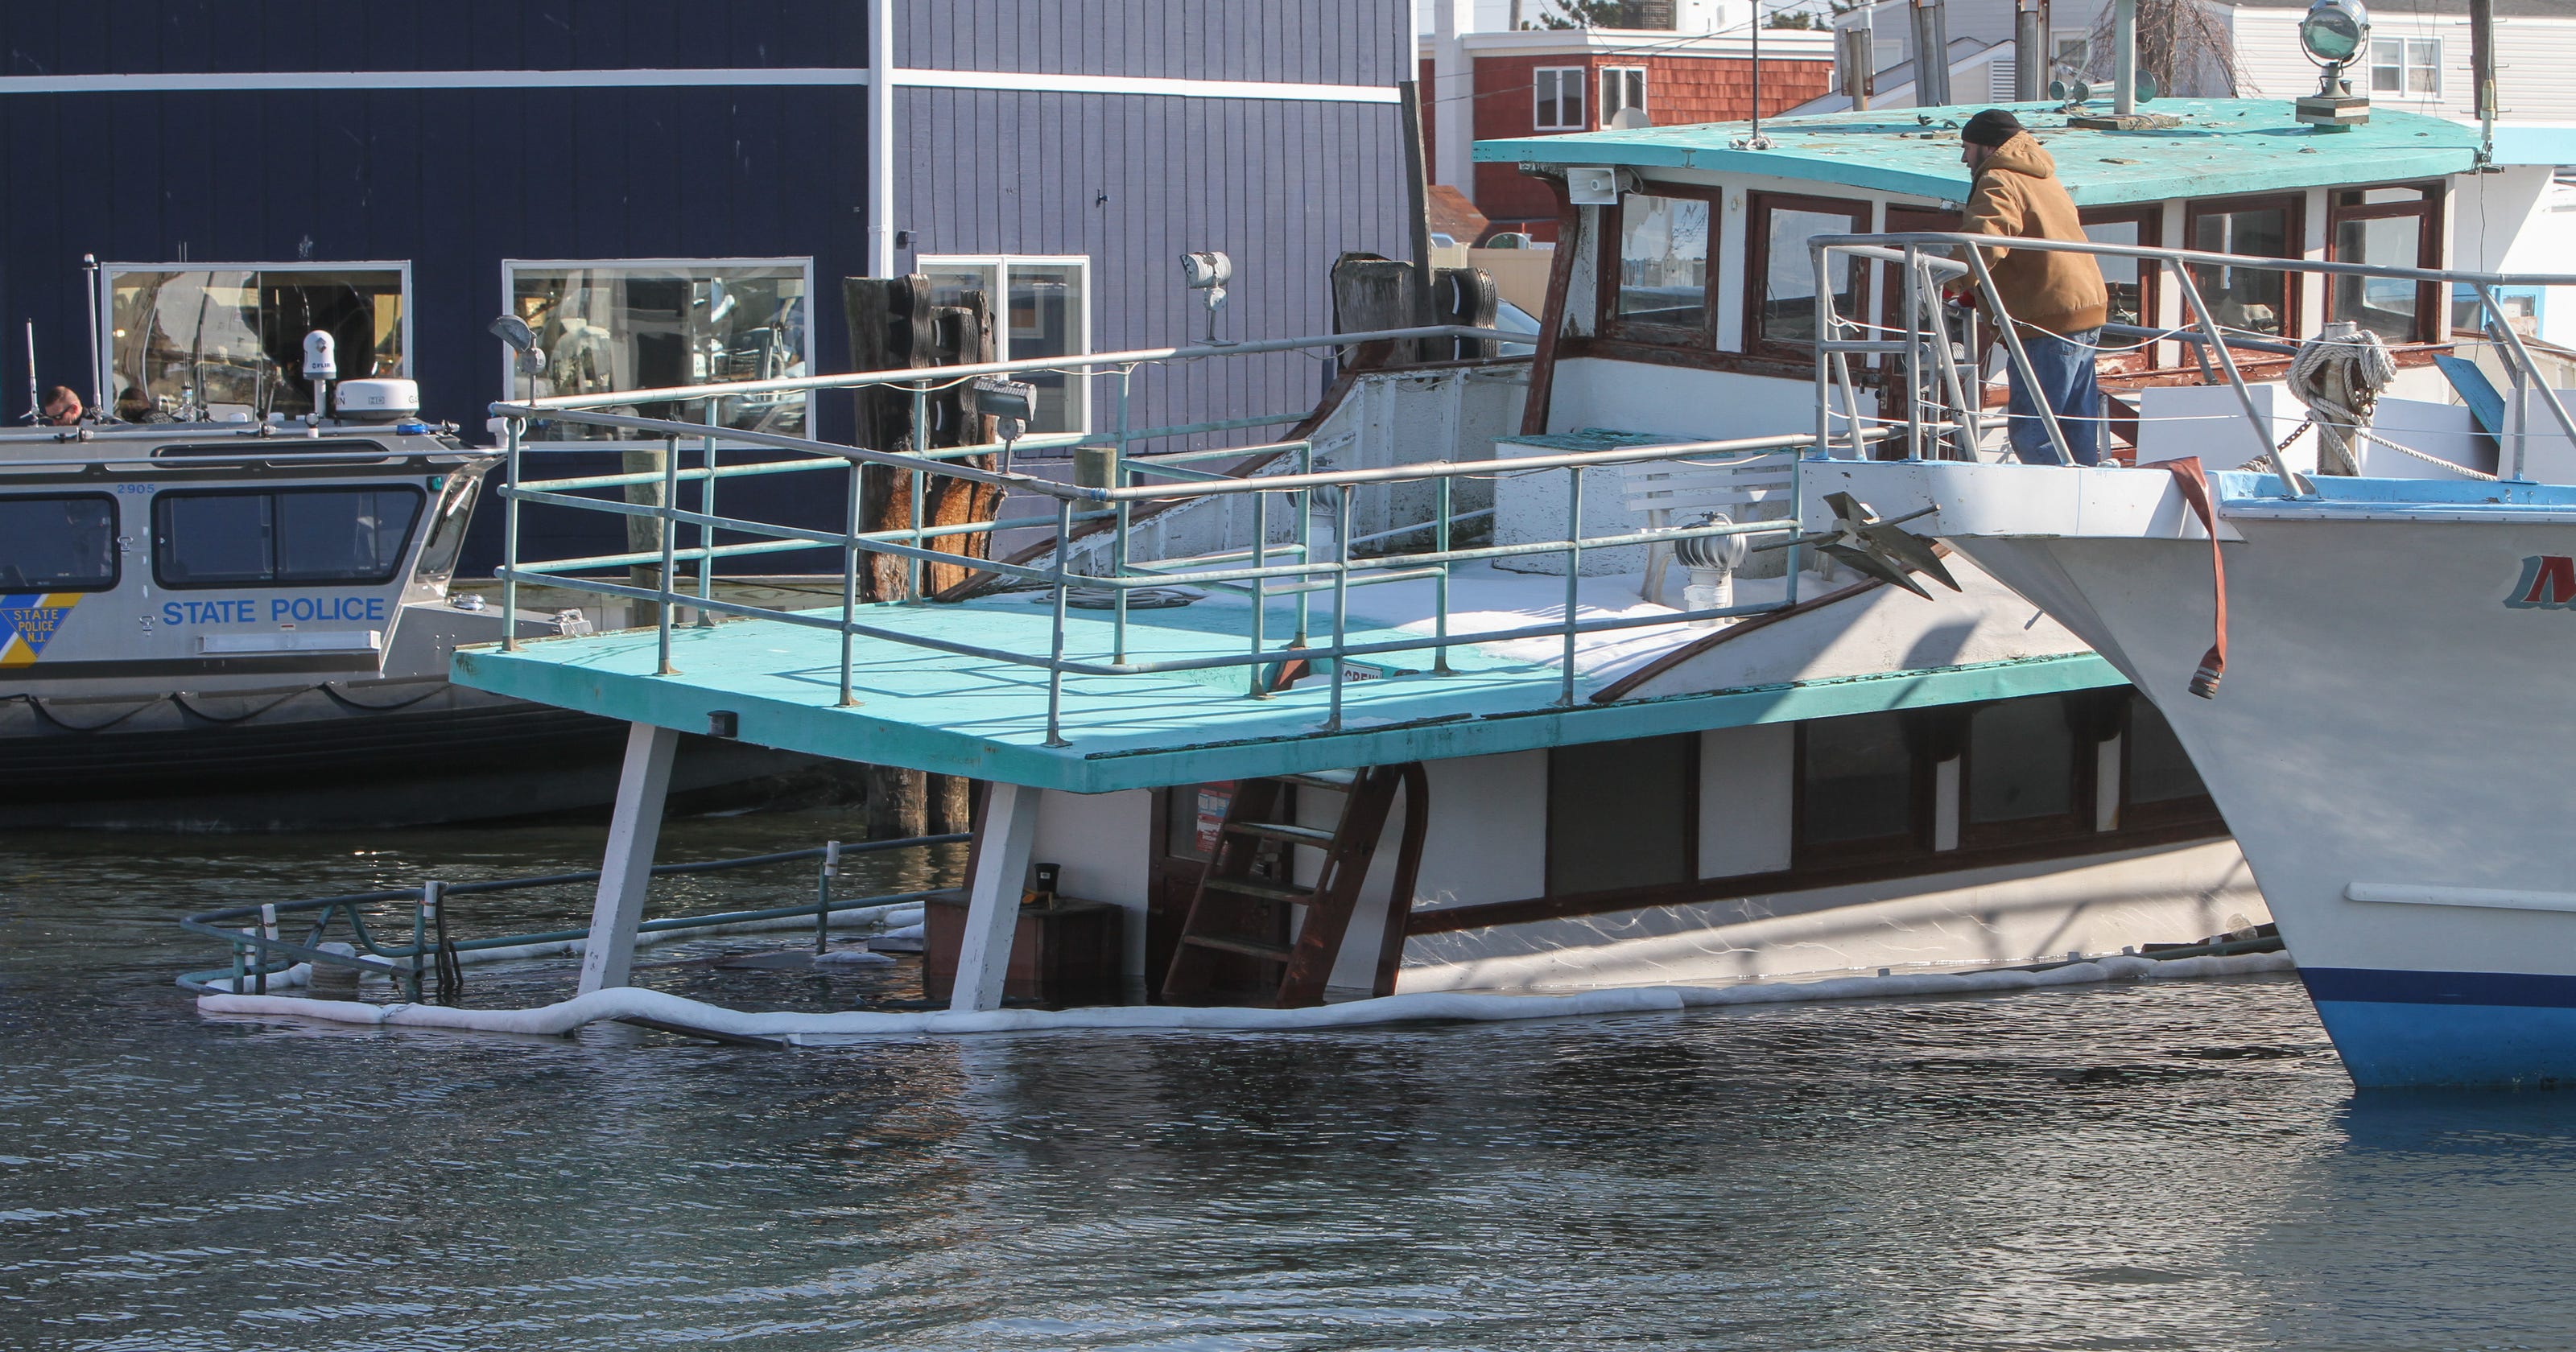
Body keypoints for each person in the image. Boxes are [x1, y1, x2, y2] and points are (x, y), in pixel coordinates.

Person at [1956, 109, 2109, 465]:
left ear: (1987, 147)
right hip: (2082, 307)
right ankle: (2083, 502)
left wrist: (1946, 278)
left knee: (2034, 432)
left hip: (2046, 315)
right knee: (2073, 424)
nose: (1964, 158)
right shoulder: (2041, 175)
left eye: (1966, 147)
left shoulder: (2000, 178)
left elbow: (1987, 238)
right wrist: (1976, 291)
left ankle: (2051, 514)